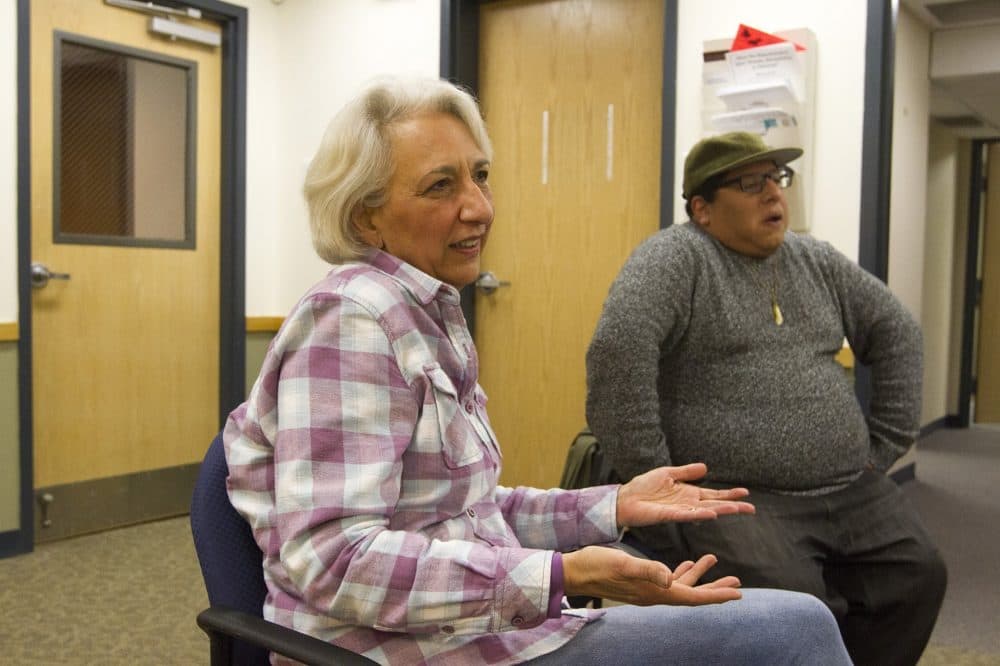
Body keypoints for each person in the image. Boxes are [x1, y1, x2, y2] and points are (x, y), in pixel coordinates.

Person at [223, 78, 851, 665]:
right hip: (417, 652)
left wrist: (613, 505)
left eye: (482, 176)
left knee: (791, 623)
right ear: (366, 217)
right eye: (441, 186)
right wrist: (562, 575)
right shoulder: (351, 323)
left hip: (491, 634)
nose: (479, 208)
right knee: (797, 628)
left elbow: (465, 512)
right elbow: (335, 562)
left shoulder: (422, 312)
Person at [586, 130, 948, 666]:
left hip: (852, 486)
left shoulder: (814, 259)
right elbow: (618, 350)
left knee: (919, 574)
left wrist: (887, 443)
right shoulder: (676, 258)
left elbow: (897, 329)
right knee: (793, 605)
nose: (774, 195)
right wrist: (655, 477)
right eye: (750, 183)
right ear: (703, 208)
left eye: (777, 179)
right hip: (736, 495)